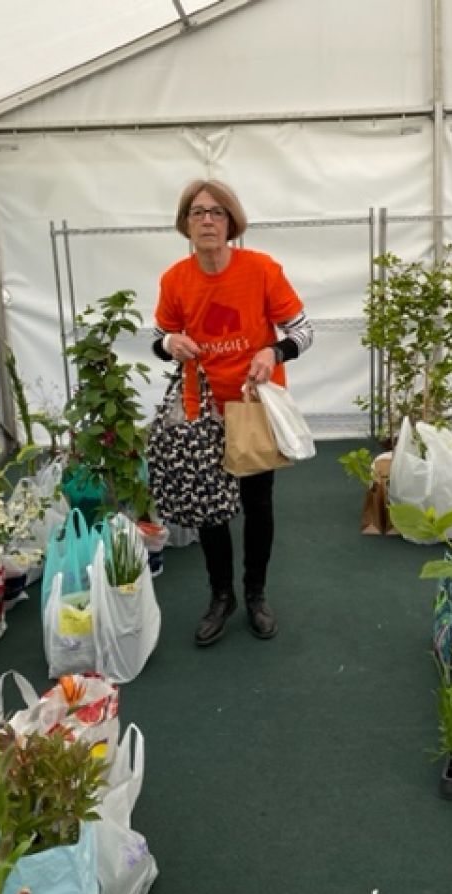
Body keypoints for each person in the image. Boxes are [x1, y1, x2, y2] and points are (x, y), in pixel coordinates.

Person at [151, 179, 314, 646]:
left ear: (231, 222)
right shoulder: (175, 280)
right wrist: (170, 343)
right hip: (200, 412)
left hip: (253, 407)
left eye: (217, 212)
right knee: (210, 510)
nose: (207, 219)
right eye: (198, 212)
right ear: (185, 223)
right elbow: (159, 339)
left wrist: (273, 353)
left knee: (257, 503)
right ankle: (221, 595)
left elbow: (303, 331)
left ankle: (256, 593)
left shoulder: (261, 270)